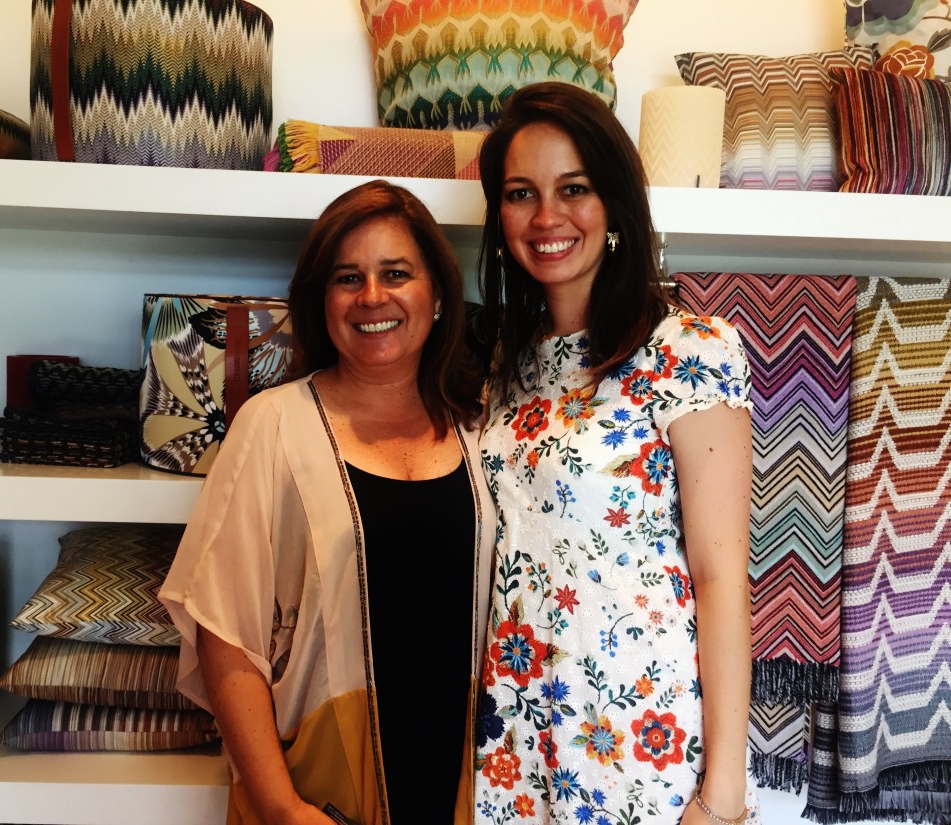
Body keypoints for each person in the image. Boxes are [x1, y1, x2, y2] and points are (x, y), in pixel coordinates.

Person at [159, 179, 497, 825]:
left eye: (396, 273)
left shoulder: (483, 427)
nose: (372, 296)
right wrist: (280, 805)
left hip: (471, 778)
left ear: (437, 295)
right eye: (348, 277)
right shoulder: (273, 424)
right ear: (322, 299)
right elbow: (224, 633)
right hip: (319, 780)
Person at [471, 82, 761, 825]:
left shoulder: (691, 350)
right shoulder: (504, 364)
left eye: (575, 188)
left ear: (616, 203)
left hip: (636, 740)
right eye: (521, 194)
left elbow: (721, 576)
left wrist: (722, 795)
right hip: (514, 738)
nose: (547, 217)